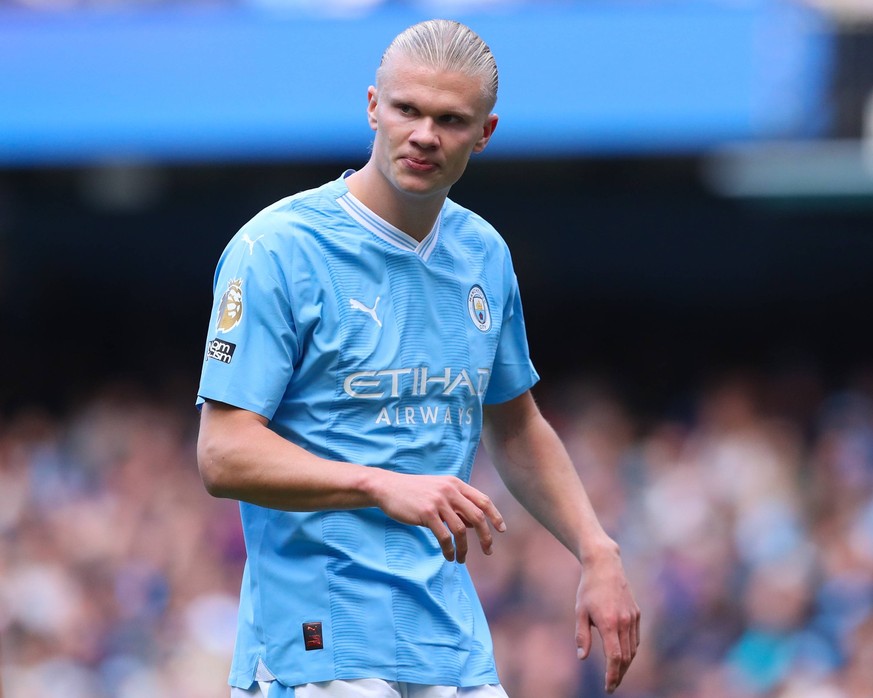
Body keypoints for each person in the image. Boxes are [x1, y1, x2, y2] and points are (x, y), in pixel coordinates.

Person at [196, 18, 640, 698]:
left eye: (449, 119)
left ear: (484, 133)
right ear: (373, 106)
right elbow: (223, 455)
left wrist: (594, 547)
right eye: (406, 109)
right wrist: (377, 483)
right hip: (317, 640)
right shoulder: (277, 249)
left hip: (446, 638)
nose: (424, 134)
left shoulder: (483, 253)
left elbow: (515, 424)